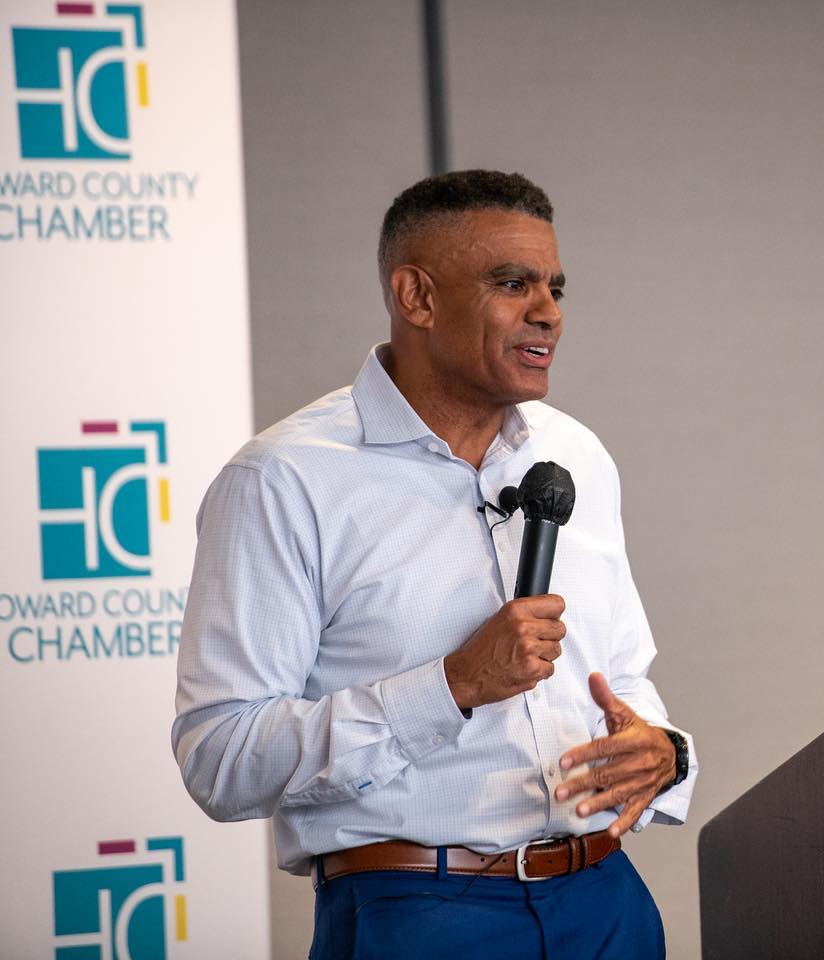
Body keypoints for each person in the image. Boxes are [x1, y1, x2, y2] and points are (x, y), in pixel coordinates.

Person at [172, 170, 696, 959]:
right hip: (418, 909)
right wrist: (451, 686)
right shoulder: (285, 479)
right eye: (512, 283)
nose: (548, 312)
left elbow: (620, 676)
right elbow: (222, 758)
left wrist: (663, 750)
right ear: (416, 297)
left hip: (607, 900)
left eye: (556, 286)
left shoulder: (575, 453)